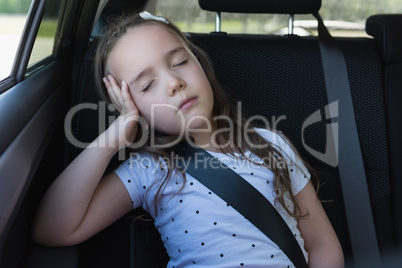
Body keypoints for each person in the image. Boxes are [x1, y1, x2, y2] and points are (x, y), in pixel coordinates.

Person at [32, 11, 344, 268]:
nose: (174, 83)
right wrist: (113, 138)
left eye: (180, 62)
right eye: (147, 84)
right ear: (132, 107)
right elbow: (54, 228)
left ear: (200, 63)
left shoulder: (270, 142)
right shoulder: (148, 170)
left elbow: (321, 242)